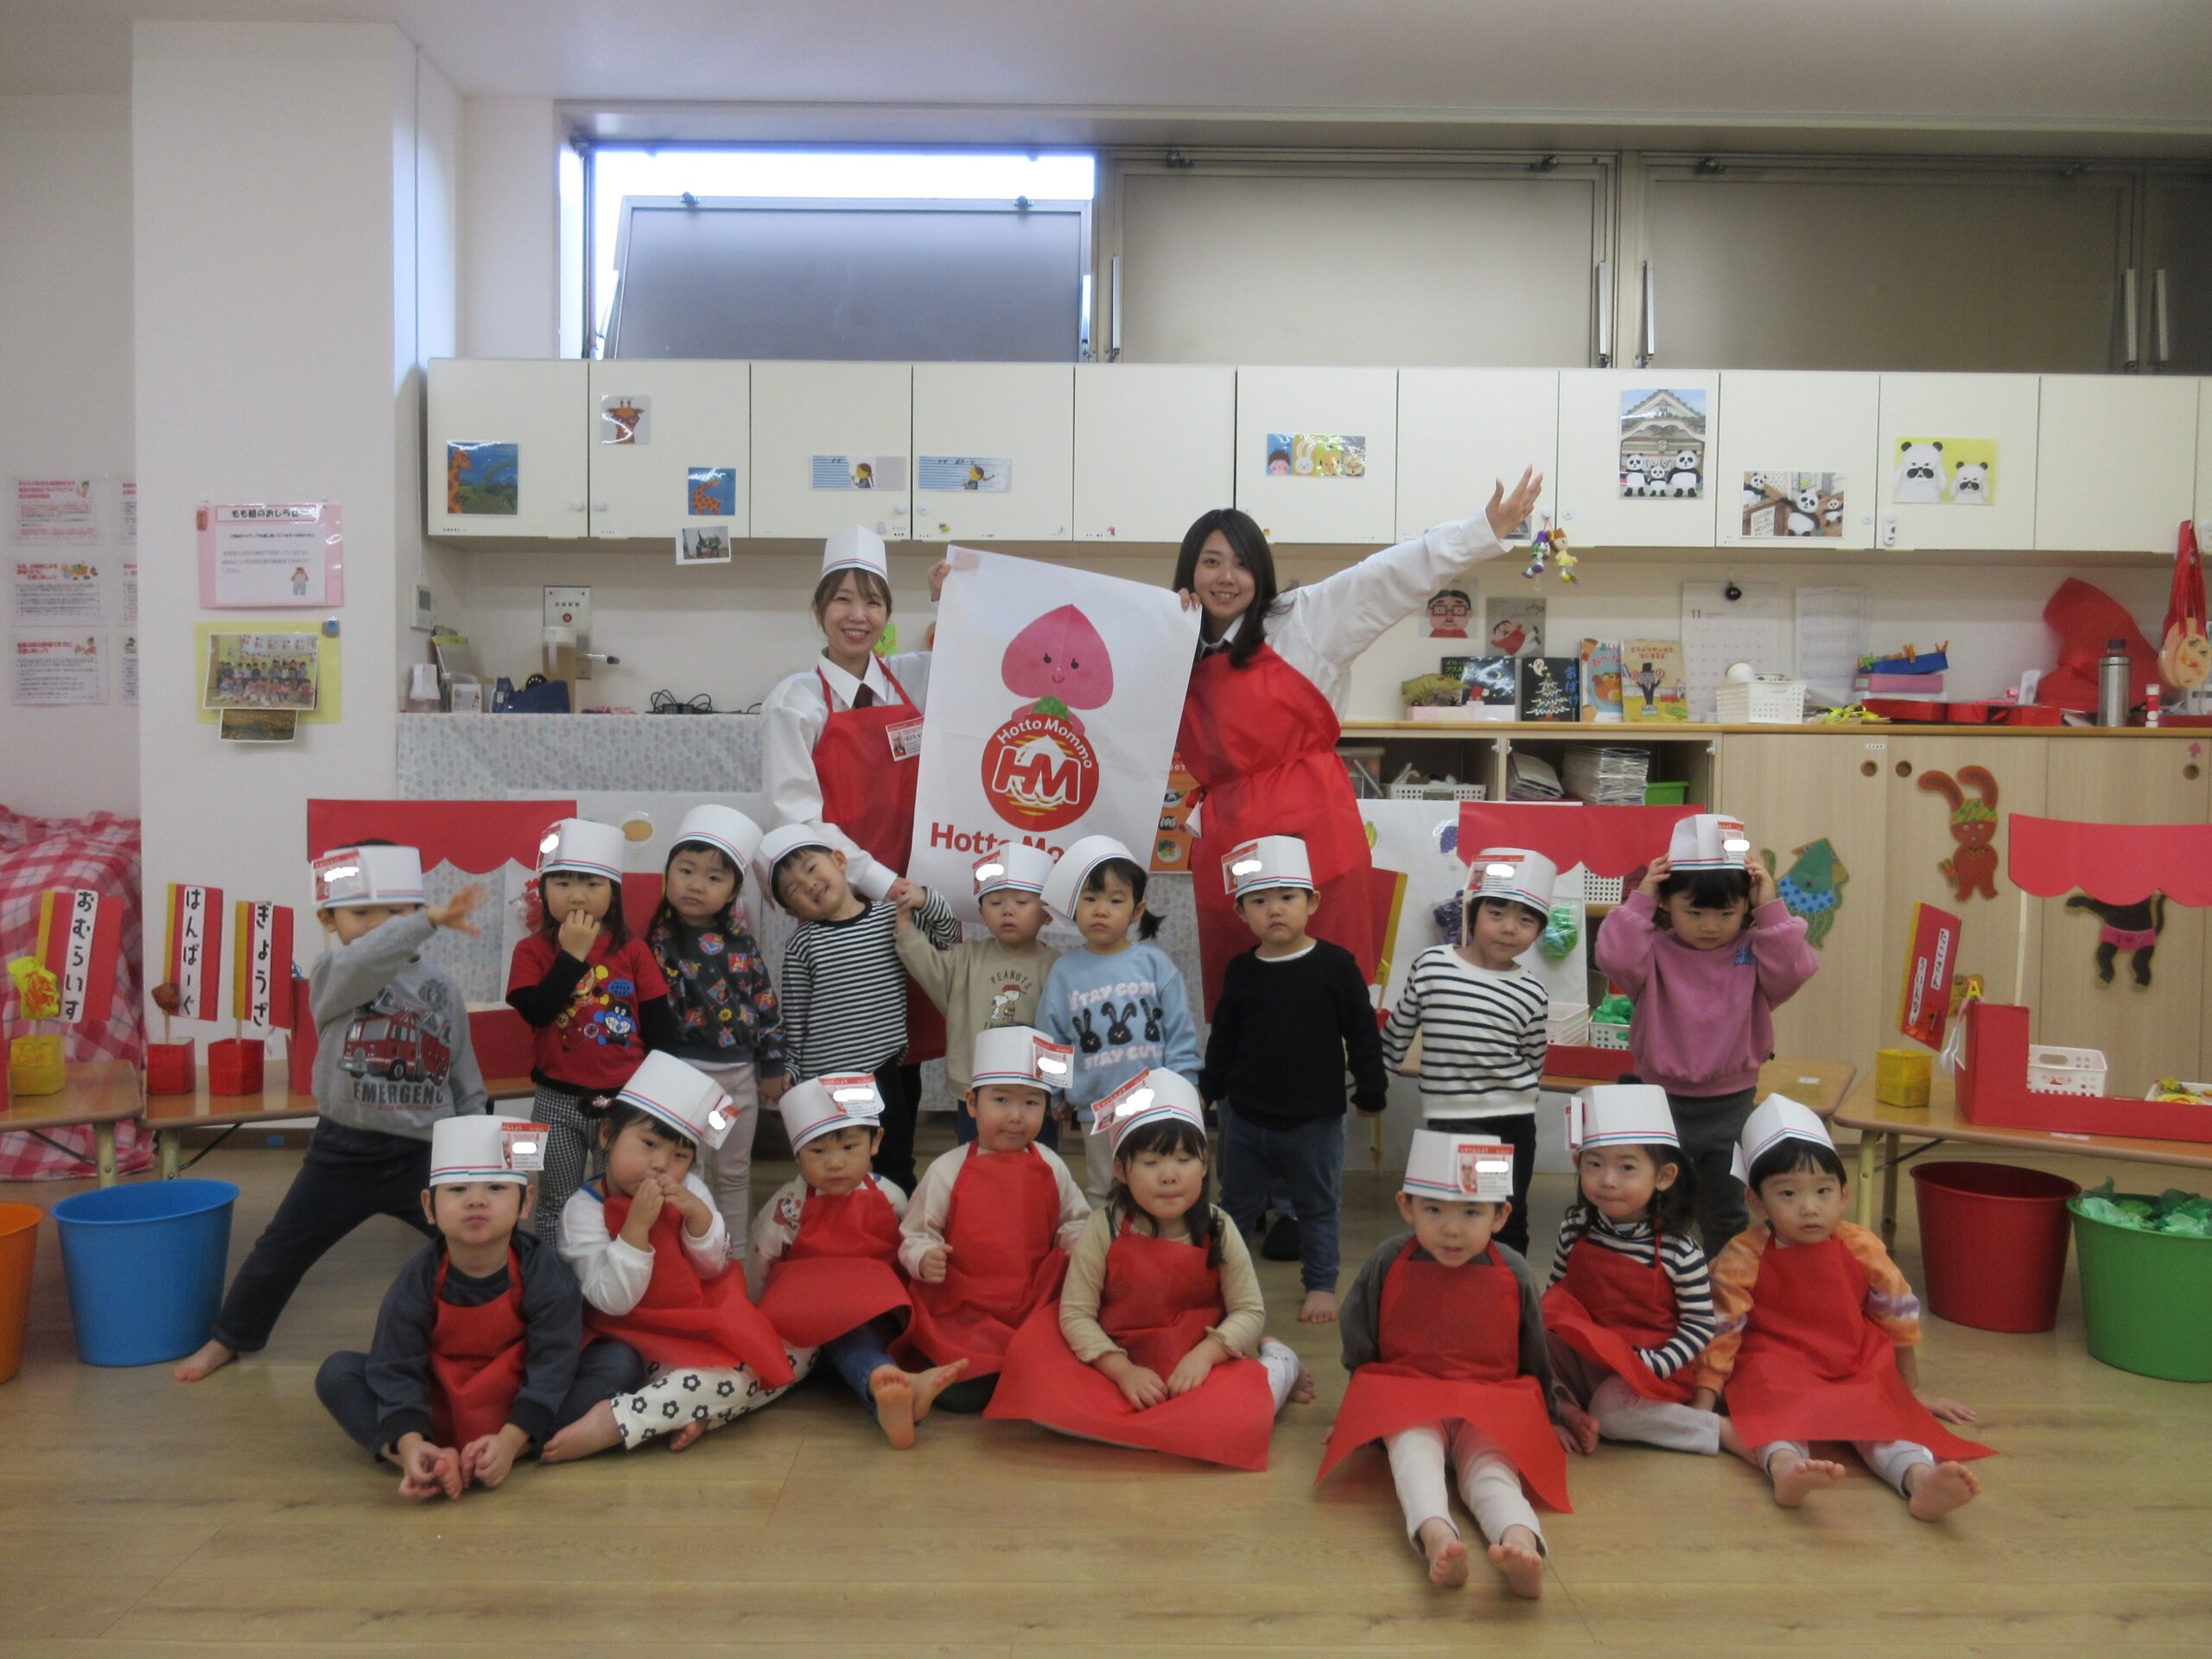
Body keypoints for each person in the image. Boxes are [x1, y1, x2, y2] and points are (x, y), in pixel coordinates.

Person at [1169, 471, 1541, 1015]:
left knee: (1325, 1003)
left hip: (1311, 838)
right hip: (1231, 848)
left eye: (1242, 563)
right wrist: (1162, 628)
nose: (1227, 577)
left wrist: (1480, 531)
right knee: (1244, 1006)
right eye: (1211, 562)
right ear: (1189, 572)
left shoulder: (1301, 622)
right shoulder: (1176, 644)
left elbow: (1387, 576)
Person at [175, 843, 489, 1382]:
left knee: (482, 1239)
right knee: (281, 1249)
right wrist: (422, 921)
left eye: (397, 912)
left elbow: (462, 1068)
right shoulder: (334, 974)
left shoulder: (440, 984)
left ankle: (500, 1330)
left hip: (424, 1154)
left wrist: (478, 1150)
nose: (381, 926)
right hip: (344, 1153)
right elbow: (365, 961)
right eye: (361, 913)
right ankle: (230, 1338)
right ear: (328, 920)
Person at [985, 1069, 1310, 1469]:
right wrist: (1123, 1371)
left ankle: (1281, 1362)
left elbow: (1249, 1311)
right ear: (1121, 1170)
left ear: (1204, 1163)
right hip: (1118, 1360)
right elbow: (1076, 1314)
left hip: (1198, 1365)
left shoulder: (1219, 1227)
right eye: (1152, 1162)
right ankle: (1155, 1424)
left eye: (1184, 1159)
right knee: (1036, 1382)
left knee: (1241, 1418)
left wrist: (1205, 1357)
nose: (1170, 1175)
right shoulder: (1101, 1227)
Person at [313, 1115, 644, 1498]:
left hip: (523, 1402)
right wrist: (409, 1439)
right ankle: (421, 1458)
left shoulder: (545, 1272)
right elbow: (395, 1364)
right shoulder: (417, 1278)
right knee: (337, 1373)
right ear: (429, 1206)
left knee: (620, 1362)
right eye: (457, 1189)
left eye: (496, 1187)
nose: (476, 1200)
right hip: (437, 1405)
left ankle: (510, 1450)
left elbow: (554, 1363)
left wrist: (511, 1438)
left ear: (526, 1202)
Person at [1692, 1098, 1990, 1519]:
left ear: (1844, 1194)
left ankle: (1919, 1477)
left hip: (1851, 1358)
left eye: (1823, 1190)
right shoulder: (1742, 1255)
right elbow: (1723, 1331)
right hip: (1774, 1360)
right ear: (1756, 1201)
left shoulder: (1862, 1246)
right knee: (1768, 1405)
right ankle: (1785, 1467)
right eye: (1788, 1193)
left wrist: (1910, 1390)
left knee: (1881, 1413)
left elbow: (1897, 1316)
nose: (1809, 1207)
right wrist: (1704, 1403)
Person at [1320, 1129, 1570, 1599]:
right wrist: (1359, 1412)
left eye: (1472, 1212)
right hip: (1409, 1396)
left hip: (1491, 1401)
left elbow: (1535, 1352)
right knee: (1412, 1455)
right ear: (1406, 1206)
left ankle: (1519, 1542)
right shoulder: (1386, 1261)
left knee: (1492, 1468)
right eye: (1434, 1210)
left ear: (1500, 1216)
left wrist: (1548, 1418)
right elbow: (1360, 1336)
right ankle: (1436, 1533)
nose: (1451, 1229)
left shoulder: (1515, 1271)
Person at [761, 525, 952, 1096]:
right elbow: (799, 820)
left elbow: (971, 662)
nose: (858, 615)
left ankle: (897, 1153)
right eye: (843, 599)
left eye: (872, 601)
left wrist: (947, 600)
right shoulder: (795, 701)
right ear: (819, 609)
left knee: (905, 1047)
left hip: (911, 890)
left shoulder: (911, 676)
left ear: (886, 614)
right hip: (841, 903)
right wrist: (880, 882)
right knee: (846, 1046)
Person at [543, 1053, 805, 1459]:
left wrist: (699, 1218)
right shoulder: (583, 1210)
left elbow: (714, 1267)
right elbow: (612, 1301)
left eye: (680, 1156)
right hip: (636, 1336)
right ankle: (621, 1421)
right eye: (648, 1145)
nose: (661, 1165)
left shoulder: (692, 1190)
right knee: (731, 1379)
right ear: (608, 1135)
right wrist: (636, 1228)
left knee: (790, 1354)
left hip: (703, 1318)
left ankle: (686, 1411)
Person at [1594, 814, 1820, 1253]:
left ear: (1745, 907)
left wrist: (1771, 908)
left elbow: (1796, 968)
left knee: (1726, 1208)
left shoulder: (1755, 949)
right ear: (1667, 903)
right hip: (1659, 1100)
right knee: (1654, 1203)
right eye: (1694, 912)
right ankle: (1657, 1278)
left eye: (1726, 913)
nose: (1710, 926)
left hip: (1730, 1104)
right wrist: (1640, 901)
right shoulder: (1652, 950)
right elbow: (1613, 955)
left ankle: (1726, 1283)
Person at [1201, 834, 1385, 1324]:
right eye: (1259, 901)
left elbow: (1362, 1032)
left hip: (1314, 1121)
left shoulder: (1336, 965)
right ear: (1242, 912)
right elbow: (1224, 1037)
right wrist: (1207, 1091)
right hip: (1246, 1118)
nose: (1275, 910)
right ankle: (1224, 1285)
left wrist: (1372, 1089)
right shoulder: (1241, 971)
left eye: (1287, 897)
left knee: (1317, 1206)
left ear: (1312, 903)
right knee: (1235, 1207)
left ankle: (1320, 1284)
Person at [751, 1074, 968, 1448]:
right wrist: (755, 1321)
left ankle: (888, 1389)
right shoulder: (788, 1206)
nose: (835, 1163)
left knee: (859, 1332)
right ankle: (888, 1381)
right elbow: (761, 1263)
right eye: (818, 1151)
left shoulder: (891, 1195)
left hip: (877, 1314)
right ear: (797, 1153)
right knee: (841, 1330)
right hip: (810, 1325)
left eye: (850, 1147)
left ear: (875, 1142)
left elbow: (908, 1248)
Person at [892, 1027, 1090, 1413]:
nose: (1015, 1116)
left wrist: (1076, 1241)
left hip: (1033, 1301)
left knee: (1057, 1361)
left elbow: (1075, 1220)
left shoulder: (1051, 1165)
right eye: (1000, 1100)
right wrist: (923, 1257)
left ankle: (1018, 1369)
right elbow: (916, 1233)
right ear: (972, 1103)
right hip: (963, 1308)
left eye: (1031, 1102)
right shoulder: (947, 1170)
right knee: (962, 1395)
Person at [760, 822, 958, 1192]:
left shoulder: (889, 918)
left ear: (839, 860)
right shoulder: (802, 945)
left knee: (895, 1158)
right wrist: (791, 1067)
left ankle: (899, 1223)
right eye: (794, 889)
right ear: (790, 910)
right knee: (832, 1164)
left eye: (811, 869)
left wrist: (924, 897)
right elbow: (796, 1016)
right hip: (825, 1078)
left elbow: (948, 933)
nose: (809, 884)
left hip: (882, 1068)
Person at [1379, 847, 1555, 1255]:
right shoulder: (1432, 965)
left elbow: (1534, 1058)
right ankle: (1450, 1285)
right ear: (1472, 913)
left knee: (1505, 1213)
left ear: (1538, 930)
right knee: (1447, 1210)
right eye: (1496, 914)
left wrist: (1519, 1098)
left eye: (1526, 920)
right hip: (1448, 1119)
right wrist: (1375, 1086)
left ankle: (1507, 1286)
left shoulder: (1532, 990)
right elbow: (1398, 1031)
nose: (1509, 929)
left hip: (1511, 1123)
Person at [505, 817, 676, 1233]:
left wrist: (656, 1098)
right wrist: (572, 956)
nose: (577, 895)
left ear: (613, 893)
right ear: (544, 890)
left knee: (614, 1198)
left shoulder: (633, 950)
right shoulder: (531, 950)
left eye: (592, 884)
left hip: (623, 1100)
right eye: (562, 883)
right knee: (556, 1200)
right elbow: (537, 1011)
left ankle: (606, 1269)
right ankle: (555, 1272)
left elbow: (660, 1029)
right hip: (556, 1099)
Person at [1541, 1085, 1720, 1458]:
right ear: (1579, 1165)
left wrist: (1654, 1364)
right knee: (1525, 1344)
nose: (1608, 1180)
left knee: (1611, 1412)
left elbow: (1701, 1326)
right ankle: (1567, 1408)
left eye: (1626, 1167)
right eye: (1594, 1164)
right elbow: (1556, 1296)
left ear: (1664, 1176)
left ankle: (1719, 1432)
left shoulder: (1679, 1250)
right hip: (1584, 1356)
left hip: (1647, 1368)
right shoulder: (1573, 1228)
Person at [643, 804, 787, 1237]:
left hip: (738, 1080)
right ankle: (693, 1253)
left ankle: (735, 1257)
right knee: (688, 1172)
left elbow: (765, 1004)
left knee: (734, 1173)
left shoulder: (742, 944)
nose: (695, 884)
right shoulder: (655, 945)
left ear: (732, 892)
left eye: (714, 877)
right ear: (668, 875)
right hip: (683, 1079)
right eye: (686, 871)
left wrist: (773, 1065)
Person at [1035, 836, 1202, 1203]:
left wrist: (1185, 1087)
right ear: (1074, 907)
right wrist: (1054, 1093)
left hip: (1156, 1104)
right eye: (1090, 899)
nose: (1101, 910)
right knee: (1105, 1189)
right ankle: (1107, 1241)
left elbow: (1179, 1032)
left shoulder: (1155, 964)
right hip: (1098, 1110)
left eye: (1115, 900)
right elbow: (1051, 1037)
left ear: (1137, 910)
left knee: (1156, 1186)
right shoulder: (1065, 971)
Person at [895, 842, 1062, 1149]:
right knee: (977, 1162)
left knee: (1039, 1163)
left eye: (1022, 902)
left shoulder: (1057, 968)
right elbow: (928, 966)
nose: (1007, 910)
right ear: (981, 912)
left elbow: (1066, 1031)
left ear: (1047, 913)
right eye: (995, 902)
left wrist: (1062, 1089)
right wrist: (905, 929)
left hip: (1036, 1093)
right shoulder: (966, 959)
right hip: (976, 1089)